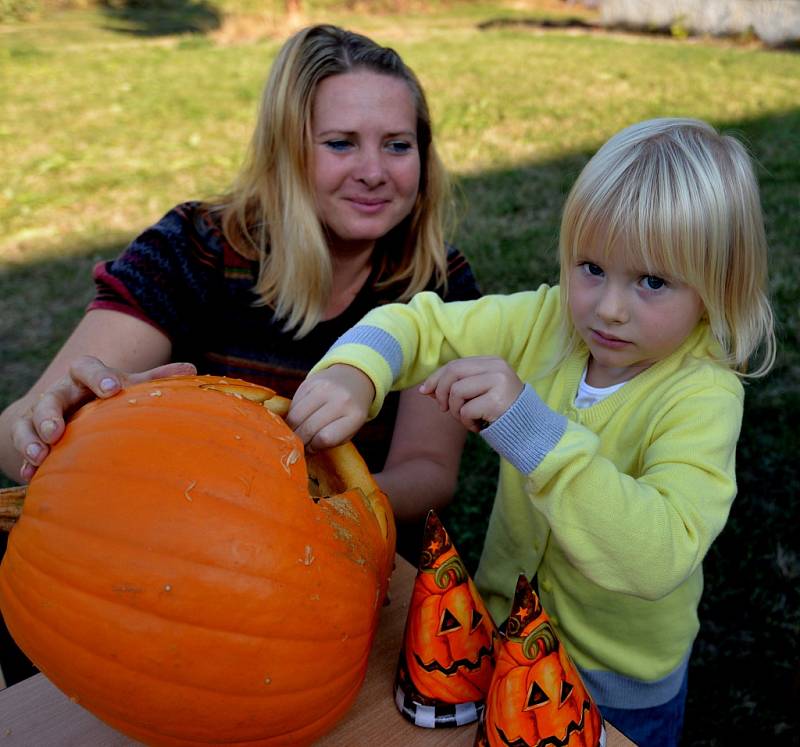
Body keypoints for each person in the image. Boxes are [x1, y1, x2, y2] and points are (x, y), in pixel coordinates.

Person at [0, 24, 480, 684]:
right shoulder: (194, 248)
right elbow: (15, 434)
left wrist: (311, 515)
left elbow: (429, 469)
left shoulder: (439, 284)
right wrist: (52, 425)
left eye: (397, 145)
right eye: (340, 143)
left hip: (333, 576)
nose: (374, 171)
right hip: (157, 555)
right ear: (285, 150)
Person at [286, 117, 776, 747]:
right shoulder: (548, 320)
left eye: (652, 282)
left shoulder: (702, 396)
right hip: (498, 636)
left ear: (717, 288)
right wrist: (358, 370)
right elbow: (417, 325)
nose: (608, 308)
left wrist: (531, 431)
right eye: (591, 267)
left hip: (613, 687)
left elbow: (658, 556)